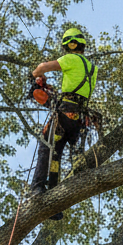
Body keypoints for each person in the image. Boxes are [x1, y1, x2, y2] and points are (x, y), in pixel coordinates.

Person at [29, 26, 97, 214]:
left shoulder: (71, 59)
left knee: (45, 145)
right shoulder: (92, 68)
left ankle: (36, 188)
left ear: (71, 45)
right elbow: (75, 89)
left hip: (65, 114)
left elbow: (43, 67)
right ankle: (54, 197)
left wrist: (35, 76)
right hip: (78, 121)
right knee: (56, 153)